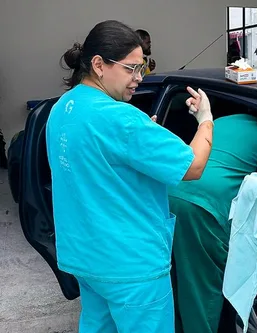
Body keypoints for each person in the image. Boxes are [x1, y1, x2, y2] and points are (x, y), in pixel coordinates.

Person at [46, 20, 214, 333]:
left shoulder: (61, 108)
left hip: (86, 259)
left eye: (142, 69)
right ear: (98, 65)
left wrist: (140, 136)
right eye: (131, 69)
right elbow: (194, 166)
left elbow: (94, 165)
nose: (138, 79)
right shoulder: (122, 119)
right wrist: (205, 120)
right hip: (132, 267)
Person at [168, 113, 257, 333]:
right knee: (199, 292)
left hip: (170, 192)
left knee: (172, 281)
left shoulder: (220, 123)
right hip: (205, 209)